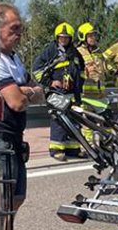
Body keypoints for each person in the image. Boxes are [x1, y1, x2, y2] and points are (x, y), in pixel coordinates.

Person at [0, 3, 43, 230]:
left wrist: (26, 91)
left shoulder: (15, 59)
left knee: (14, 200)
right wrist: (27, 91)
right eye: (14, 29)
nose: (19, 34)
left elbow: (37, 92)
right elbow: (16, 101)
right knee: (1, 203)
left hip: (14, 138)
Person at [33, 22, 85, 161]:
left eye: (66, 38)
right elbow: (36, 70)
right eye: (61, 37)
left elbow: (81, 71)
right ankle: (57, 149)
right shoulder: (50, 51)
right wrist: (50, 83)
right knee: (59, 121)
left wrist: (79, 85)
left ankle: (73, 149)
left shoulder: (74, 53)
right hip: (57, 93)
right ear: (57, 38)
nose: (64, 40)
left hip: (73, 93)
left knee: (74, 121)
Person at [76, 22, 110, 142]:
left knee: (105, 122)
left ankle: (105, 145)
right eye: (90, 36)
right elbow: (75, 72)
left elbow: (105, 68)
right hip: (86, 95)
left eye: (94, 35)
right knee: (87, 124)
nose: (93, 38)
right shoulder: (78, 52)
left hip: (101, 95)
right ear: (83, 37)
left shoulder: (98, 52)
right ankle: (89, 147)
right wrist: (85, 72)